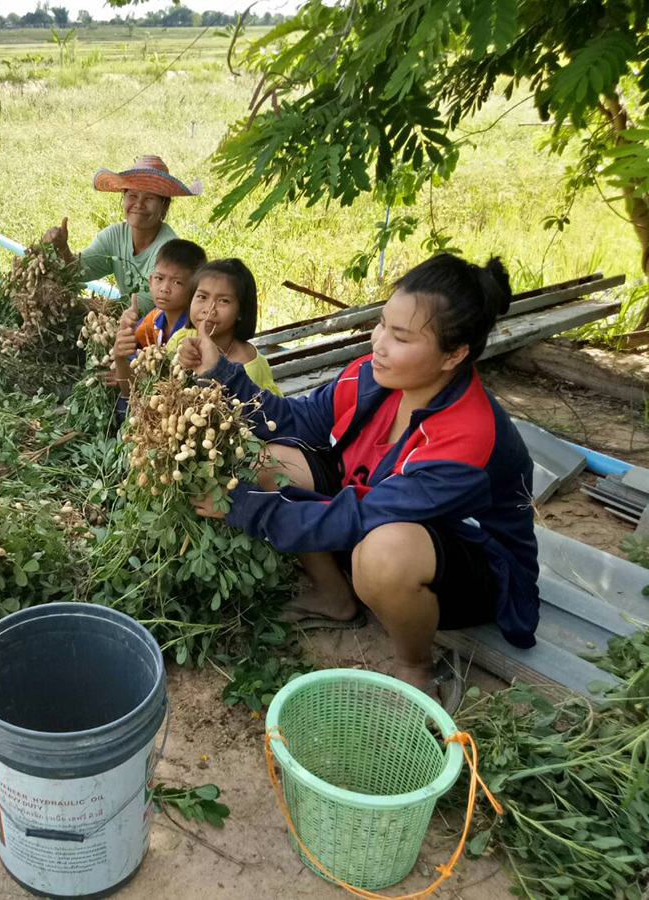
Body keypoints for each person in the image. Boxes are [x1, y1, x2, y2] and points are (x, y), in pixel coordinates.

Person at [180, 254, 539, 710]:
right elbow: (300, 418)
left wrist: (247, 508)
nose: (380, 344)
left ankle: (414, 665)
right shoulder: (375, 374)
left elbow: (361, 517)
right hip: (383, 509)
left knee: (382, 554)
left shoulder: (468, 436)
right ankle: (335, 596)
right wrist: (222, 373)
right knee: (263, 460)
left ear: (455, 354)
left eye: (401, 337)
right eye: (382, 324)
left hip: (473, 562)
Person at [43, 154, 201, 314]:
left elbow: (141, 307)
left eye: (149, 198)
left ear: (164, 206)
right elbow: (80, 270)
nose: (139, 204)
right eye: (132, 195)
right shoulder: (114, 235)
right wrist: (61, 249)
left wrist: (73, 305)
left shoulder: (168, 250)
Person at [165, 258, 280, 397]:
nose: (209, 309)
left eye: (223, 301)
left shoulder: (250, 365)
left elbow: (267, 413)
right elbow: (156, 387)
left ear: (241, 312)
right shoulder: (181, 339)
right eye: (202, 296)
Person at [110, 239, 207, 393]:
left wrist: (126, 372)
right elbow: (130, 385)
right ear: (150, 281)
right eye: (159, 279)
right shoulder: (155, 317)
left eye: (177, 282)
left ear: (195, 289)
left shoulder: (193, 333)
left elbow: (145, 390)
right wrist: (120, 355)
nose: (164, 289)